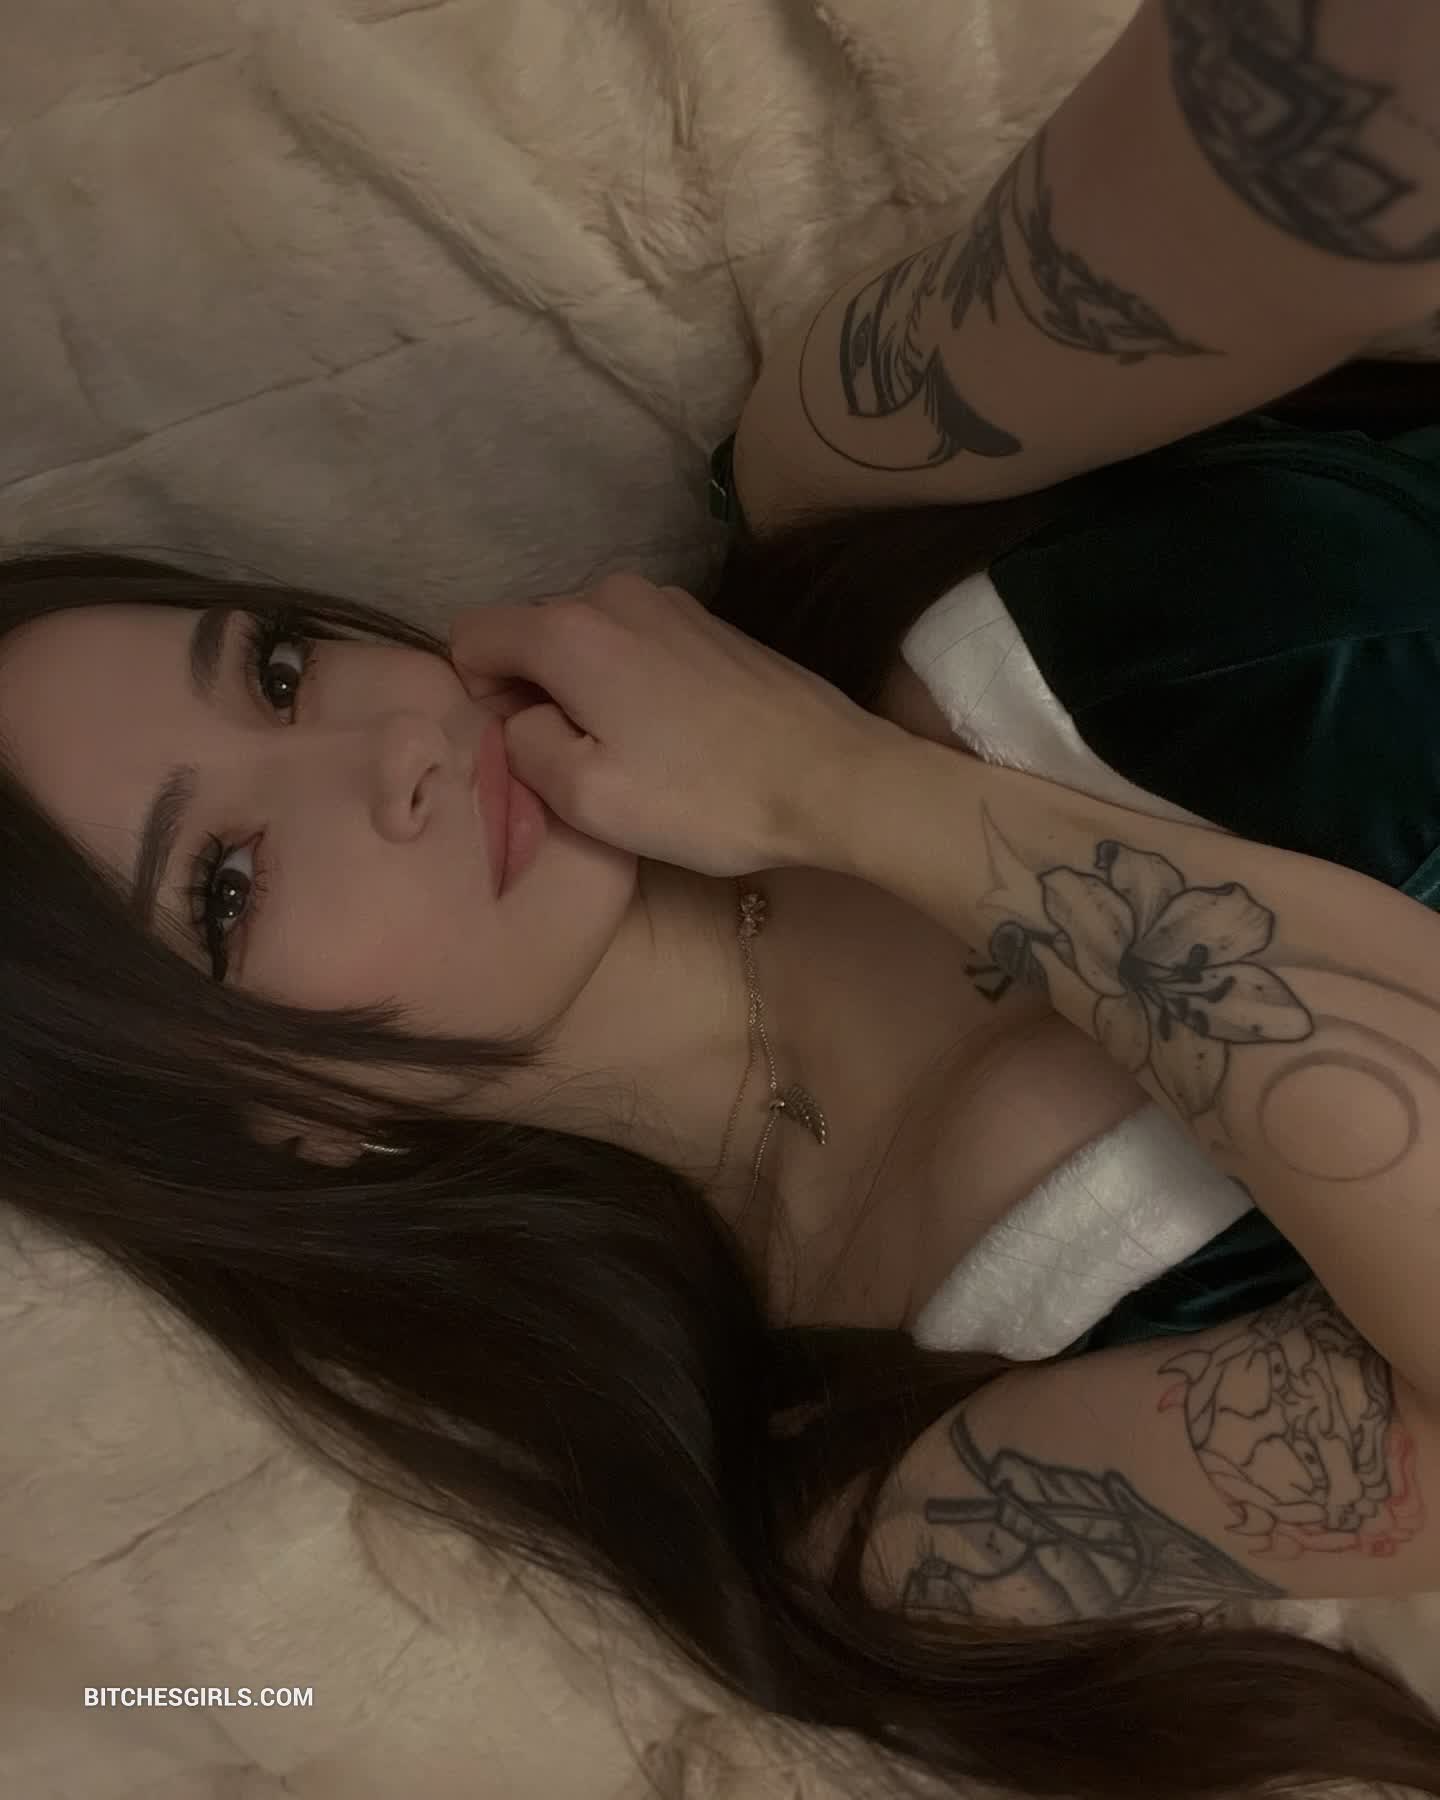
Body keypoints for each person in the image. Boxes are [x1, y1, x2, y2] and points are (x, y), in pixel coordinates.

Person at [6, 3, 1440, 1796]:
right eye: (225, 882)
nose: (389, 753)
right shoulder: (875, 1500)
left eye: (282, 669)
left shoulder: (842, 489)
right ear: (283, 1131)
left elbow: (1348, 82)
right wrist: (850, 800)